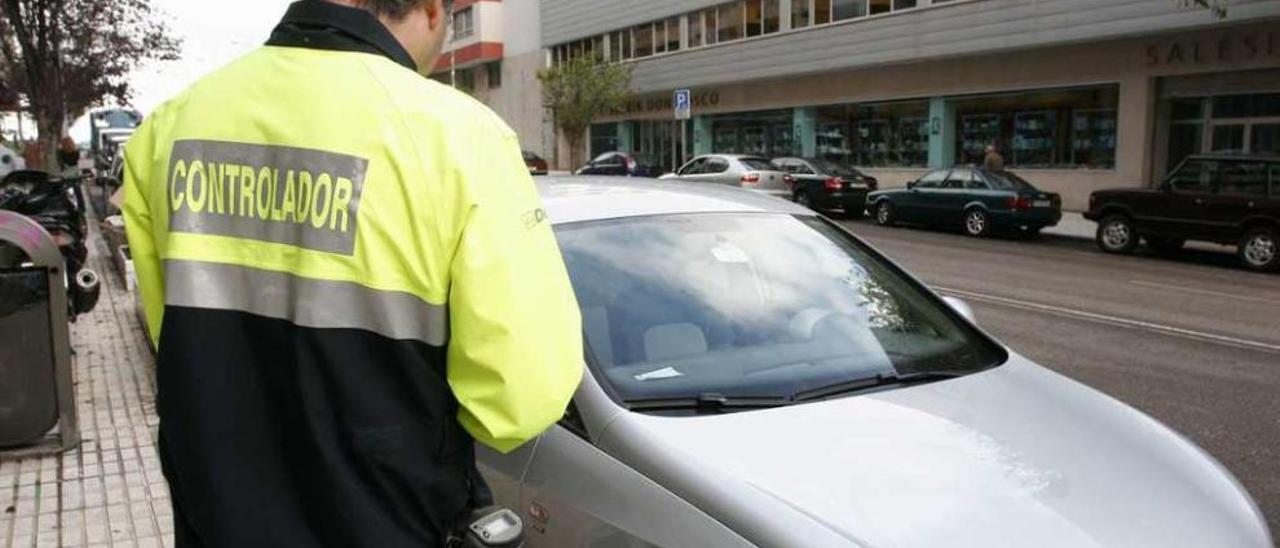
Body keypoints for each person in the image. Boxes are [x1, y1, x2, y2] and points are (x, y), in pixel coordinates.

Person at [121, 0, 584, 546]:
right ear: (433, 11)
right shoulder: (457, 137)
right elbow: (519, 396)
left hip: (215, 510)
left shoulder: (170, 126)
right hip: (384, 514)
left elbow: (168, 329)